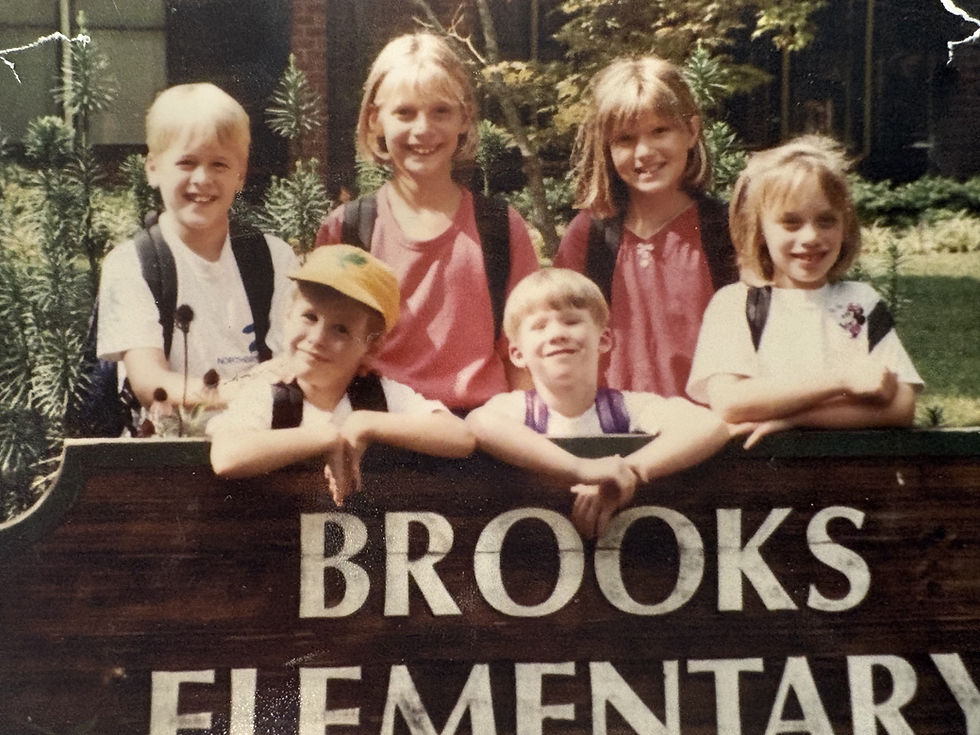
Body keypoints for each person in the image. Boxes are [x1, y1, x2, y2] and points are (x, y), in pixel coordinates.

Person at [315, 32, 539, 412]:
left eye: (441, 111)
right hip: (381, 438)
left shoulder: (499, 227)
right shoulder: (349, 230)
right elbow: (323, 354)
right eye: (405, 113)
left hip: (483, 440)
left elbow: (525, 358)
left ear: (465, 118)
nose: (423, 129)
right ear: (375, 121)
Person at [686, 135, 922, 448]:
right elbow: (731, 402)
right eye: (791, 223)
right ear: (759, 231)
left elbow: (901, 405)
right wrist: (840, 380)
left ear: (845, 226)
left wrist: (793, 420)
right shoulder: (736, 304)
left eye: (826, 221)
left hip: (846, 476)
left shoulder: (860, 303)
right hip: (761, 478)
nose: (811, 236)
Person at [466, 269, 731, 539]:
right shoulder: (517, 410)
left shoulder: (627, 408)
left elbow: (709, 424)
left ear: (604, 339)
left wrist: (626, 471)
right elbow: (479, 423)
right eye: (539, 326)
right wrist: (581, 469)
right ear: (517, 354)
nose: (557, 333)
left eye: (571, 321)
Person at [208, 245, 475, 505]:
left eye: (341, 330)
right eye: (310, 317)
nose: (317, 339)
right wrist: (327, 436)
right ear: (287, 316)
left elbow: (460, 437)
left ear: (372, 345)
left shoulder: (378, 395)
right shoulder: (270, 393)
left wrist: (363, 423)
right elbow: (226, 457)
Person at [97, 83, 298, 417]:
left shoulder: (274, 258)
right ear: (153, 168)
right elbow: (150, 382)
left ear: (241, 174)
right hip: (170, 451)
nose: (202, 179)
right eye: (186, 162)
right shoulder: (132, 264)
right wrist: (238, 391)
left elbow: (292, 363)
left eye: (219, 164)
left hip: (259, 442)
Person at [554, 56, 737, 397]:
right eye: (625, 139)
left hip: (710, 432)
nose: (644, 152)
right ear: (607, 148)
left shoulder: (726, 231)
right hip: (610, 432)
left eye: (660, 131)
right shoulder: (589, 235)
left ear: (692, 131)